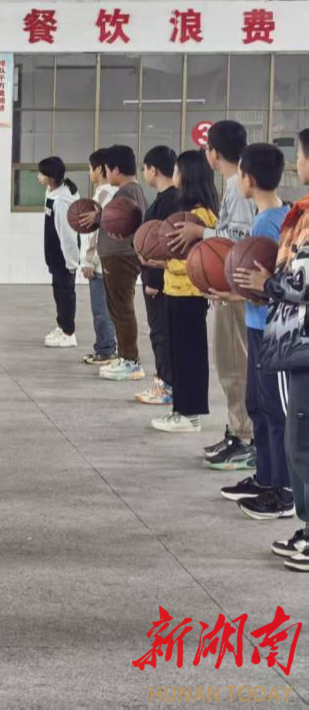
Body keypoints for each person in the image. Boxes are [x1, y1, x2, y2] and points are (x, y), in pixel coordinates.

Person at [239, 128, 309, 571]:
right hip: (294, 340)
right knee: (298, 440)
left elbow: (301, 280)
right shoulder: (300, 213)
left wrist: (267, 284)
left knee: (301, 441)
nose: (297, 163)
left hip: (301, 343)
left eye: (300, 155)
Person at [170, 120, 257, 469]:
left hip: (235, 288)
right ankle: (237, 431)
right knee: (229, 365)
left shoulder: (238, 187)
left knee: (234, 366)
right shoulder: (235, 185)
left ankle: (245, 438)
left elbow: (236, 239)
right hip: (229, 286)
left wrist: (200, 232)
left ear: (214, 153)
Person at [224, 144, 291, 516]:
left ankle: (281, 490)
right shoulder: (278, 215)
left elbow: (266, 284)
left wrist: (231, 291)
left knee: (272, 410)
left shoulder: (266, 225)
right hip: (257, 324)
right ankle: (265, 477)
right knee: (257, 405)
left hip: (269, 330)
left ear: (247, 179)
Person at [150, 150, 218, 434]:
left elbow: (196, 261)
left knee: (189, 355)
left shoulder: (199, 216)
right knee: (180, 354)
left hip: (189, 296)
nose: (174, 175)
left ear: (187, 175)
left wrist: (163, 260)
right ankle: (181, 410)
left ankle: (190, 415)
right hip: (176, 292)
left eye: (177, 170)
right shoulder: (190, 214)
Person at [93, 145, 149, 381]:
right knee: (119, 308)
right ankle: (126, 356)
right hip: (120, 257)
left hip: (120, 258)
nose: (106, 174)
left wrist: (100, 218)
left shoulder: (126, 193)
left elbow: (123, 223)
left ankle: (130, 361)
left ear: (115, 169)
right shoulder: (134, 191)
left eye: (107, 169)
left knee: (121, 308)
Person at [136, 146, 181, 406]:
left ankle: (166, 385)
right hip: (161, 278)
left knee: (161, 333)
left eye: (145, 168)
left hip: (160, 280)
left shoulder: (168, 202)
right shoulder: (169, 198)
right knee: (162, 333)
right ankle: (165, 381)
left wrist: (153, 280)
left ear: (153, 170)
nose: (144, 173)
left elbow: (162, 245)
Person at [37, 157, 81, 348]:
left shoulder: (62, 201)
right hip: (55, 255)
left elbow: (68, 235)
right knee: (58, 292)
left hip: (64, 257)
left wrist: (71, 263)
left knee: (65, 293)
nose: (39, 177)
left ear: (52, 178)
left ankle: (69, 332)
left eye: (42, 174)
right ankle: (62, 326)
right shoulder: (53, 192)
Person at [81, 149, 118, 365]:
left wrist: (89, 260)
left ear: (99, 169)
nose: (89, 173)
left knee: (101, 310)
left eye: (90, 168)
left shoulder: (103, 195)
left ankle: (106, 350)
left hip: (99, 264)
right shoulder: (115, 193)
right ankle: (107, 348)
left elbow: (96, 232)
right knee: (109, 309)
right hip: (110, 261)